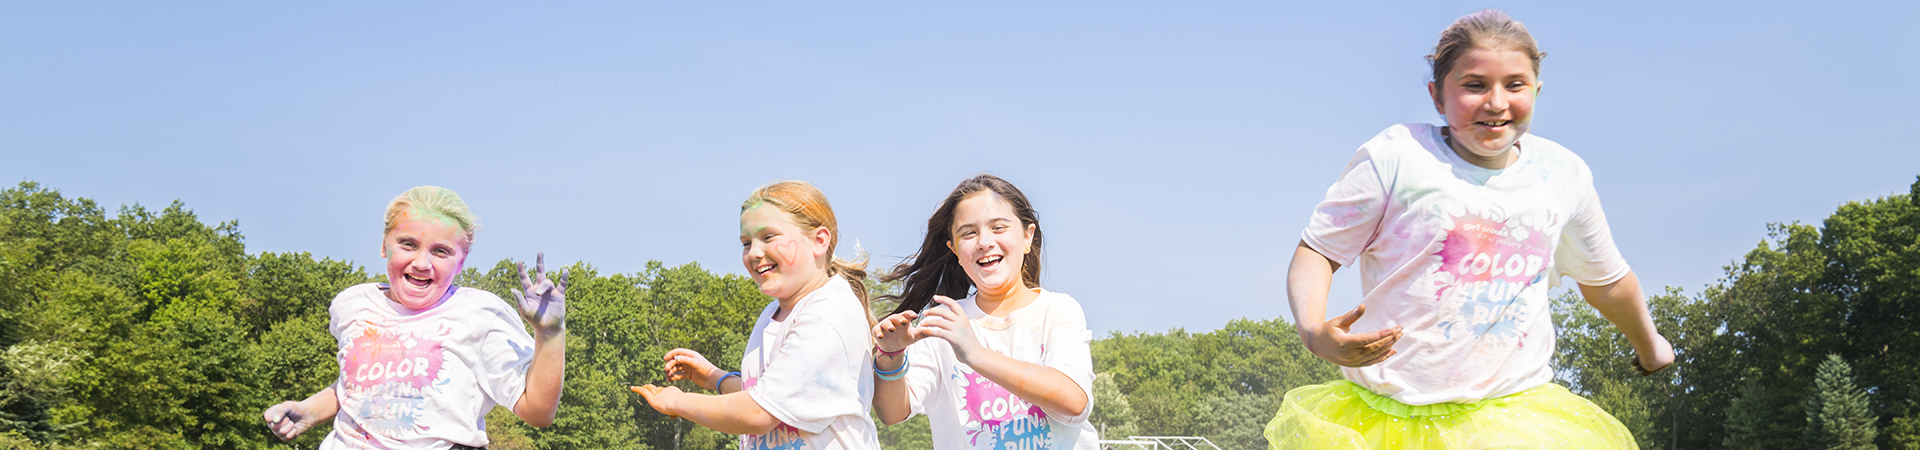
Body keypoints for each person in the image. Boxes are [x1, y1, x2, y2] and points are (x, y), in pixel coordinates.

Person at [1267, 10, 1675, 449]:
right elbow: (1317, 251)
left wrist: (1650, 346)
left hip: (1514, 417)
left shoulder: (1562, 174)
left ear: (1537, 90)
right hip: (1385, 419)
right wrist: (1312, 331)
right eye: (1475, 85)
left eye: (1515, 85)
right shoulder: (1397, 157)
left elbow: (1606, 281)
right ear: (1437, 96)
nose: (1496, 102)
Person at [263, 186, 569, 449]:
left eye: (441, 251)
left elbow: (538, 412)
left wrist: (550, 335)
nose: (422, 262)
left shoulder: (481, 314)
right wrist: (310, 411)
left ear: (461, 262)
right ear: (384, 245)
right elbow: (360, 384)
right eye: (408, 244)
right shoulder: (352, 306)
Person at [634, 180, 882, 450]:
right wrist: (714, 378)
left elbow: (758, 413)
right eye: (746, 243)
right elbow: (776, 397)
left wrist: (676, 401)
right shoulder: (773, 313)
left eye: (768, 237)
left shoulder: (828, 312)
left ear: (818, 241)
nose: (754, 253)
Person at [869, 174, 1098, 449]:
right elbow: (893, 412)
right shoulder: (943, 323)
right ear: (954, 250)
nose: (984, 242)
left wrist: (975, 353)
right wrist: (891, 356)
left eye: (998, 228)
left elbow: (1073, 401)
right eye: (969, 233)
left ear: (1028, 237)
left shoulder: (1057, 310)